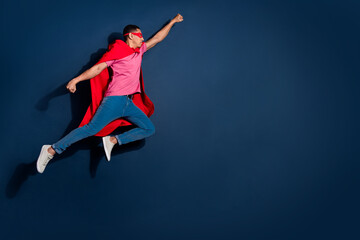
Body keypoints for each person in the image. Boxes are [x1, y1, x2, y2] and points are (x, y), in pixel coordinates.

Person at [36, 13, 184, 174]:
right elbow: (98, 68)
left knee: (149, 129)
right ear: (131, 36)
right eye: (140, 36)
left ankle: (113, 140)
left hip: (128, 103)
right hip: (114, 101)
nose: (142, 39)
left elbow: (157, 39)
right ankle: (51, 149)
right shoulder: (117, 52)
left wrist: (173, 22)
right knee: (90, 129)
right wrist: (76, 80)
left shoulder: (138, 52)